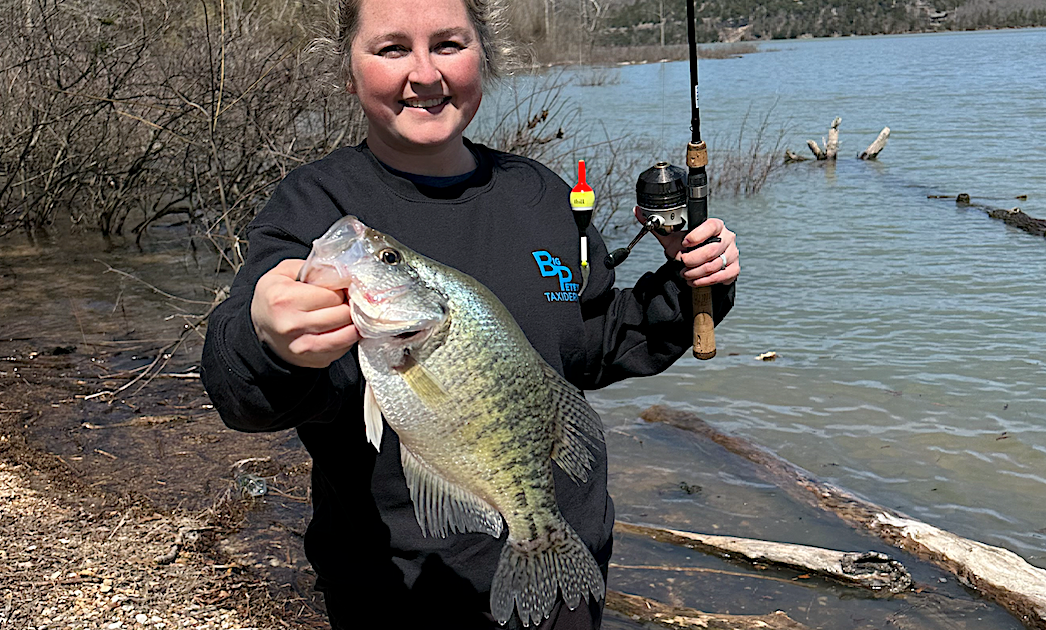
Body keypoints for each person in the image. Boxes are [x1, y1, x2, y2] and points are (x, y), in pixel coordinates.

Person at [199, 0, 739, 626]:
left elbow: (592, 345)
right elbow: (242, 394)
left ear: (486, 57)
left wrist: (689, 282)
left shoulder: (539, 192)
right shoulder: (313, 204)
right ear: (349, 71)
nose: (424, 74)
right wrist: (267, 341)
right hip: (400, 590)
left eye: (450, 44)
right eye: (391, 48)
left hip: (570, 557)